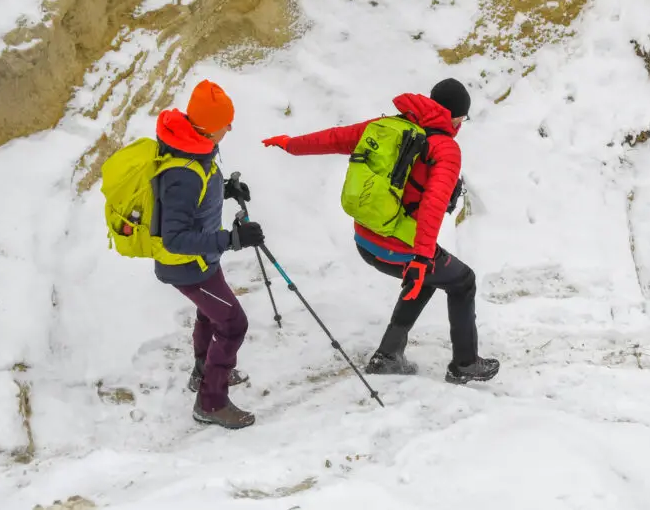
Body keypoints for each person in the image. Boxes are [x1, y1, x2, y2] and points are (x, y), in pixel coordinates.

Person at [262, 78, 499, 384]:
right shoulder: (446, 149)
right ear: (454, 116)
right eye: (461, 118)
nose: (460, 124)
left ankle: (388, 355)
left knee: (427, 279)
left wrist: (290, 144)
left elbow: (336, 138)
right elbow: (433, 204)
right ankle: (465, 364)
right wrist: (419, 259)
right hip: (400, 249)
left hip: (365, 241)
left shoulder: (388, 126)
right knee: (463, 281)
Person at [154, 79, 265, 429]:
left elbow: (199, 190)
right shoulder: (183, 171)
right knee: (233, 324)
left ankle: (202, 373)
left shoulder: (193, 145)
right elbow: (174, 237)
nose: (230, 128)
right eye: (225, 122)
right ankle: (211, 402)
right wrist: (231, 239)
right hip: (186, 265)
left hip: (200, 261)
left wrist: (225, 188)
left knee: (212, 314)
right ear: (206, 125)